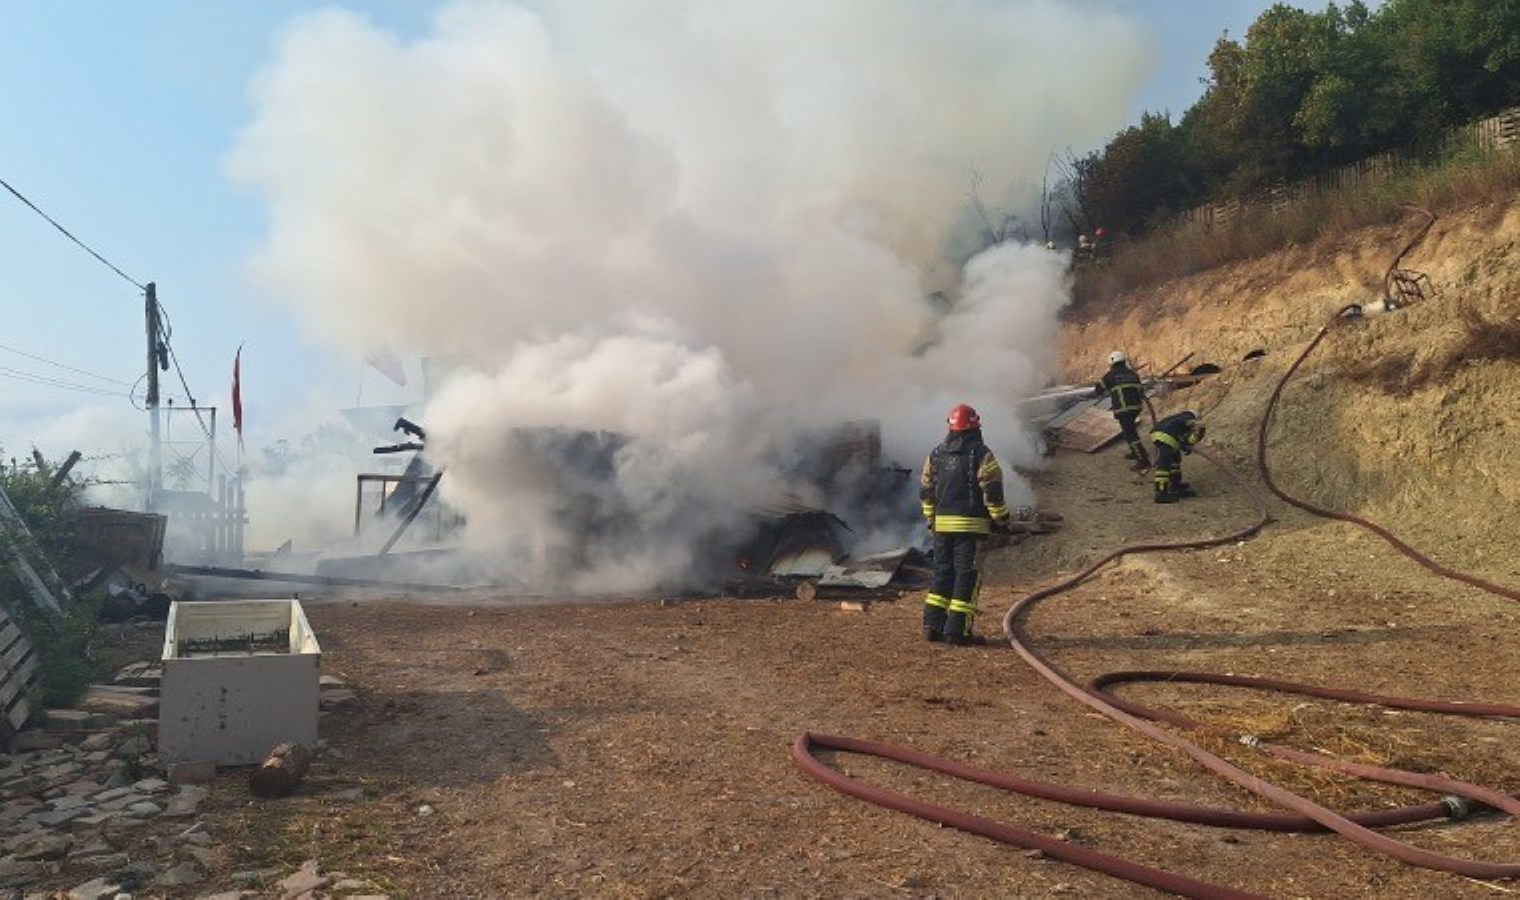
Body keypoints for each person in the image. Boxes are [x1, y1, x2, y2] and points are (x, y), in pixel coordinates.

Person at [919, 404, 1011, 645]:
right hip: (971, 529)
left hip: (941, 527)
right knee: (966, 576)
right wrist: (1002, 519)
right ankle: (958, 632)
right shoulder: (982, 454)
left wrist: (931, 519)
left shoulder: (935, 454)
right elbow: (992, 492)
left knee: (942, 572)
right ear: (976, 426)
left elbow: (926, 491)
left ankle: (932, 626)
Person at [1093, 351, 1149, 471]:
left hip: (1124, 409)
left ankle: (1143, 460)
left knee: (1130, 434)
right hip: (1136, 408)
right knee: (1129, 430)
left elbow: (1098, 389)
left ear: (1112, 362)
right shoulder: (1133, 374)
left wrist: (1108, 390)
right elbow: (1141, 391)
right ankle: (1135, 452)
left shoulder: (1110, 375)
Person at [1150, 410, 1206, 503]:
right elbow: (1191, 429)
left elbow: (1183, 438)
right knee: (1164, 465)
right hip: (1166, 436)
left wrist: (1186, 444)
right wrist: (1199, 427)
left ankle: (1175, 486)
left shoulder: (1178, 417)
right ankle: (1161, 494)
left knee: (1175, 461)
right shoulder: (1188, 417)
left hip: (1162, 434)